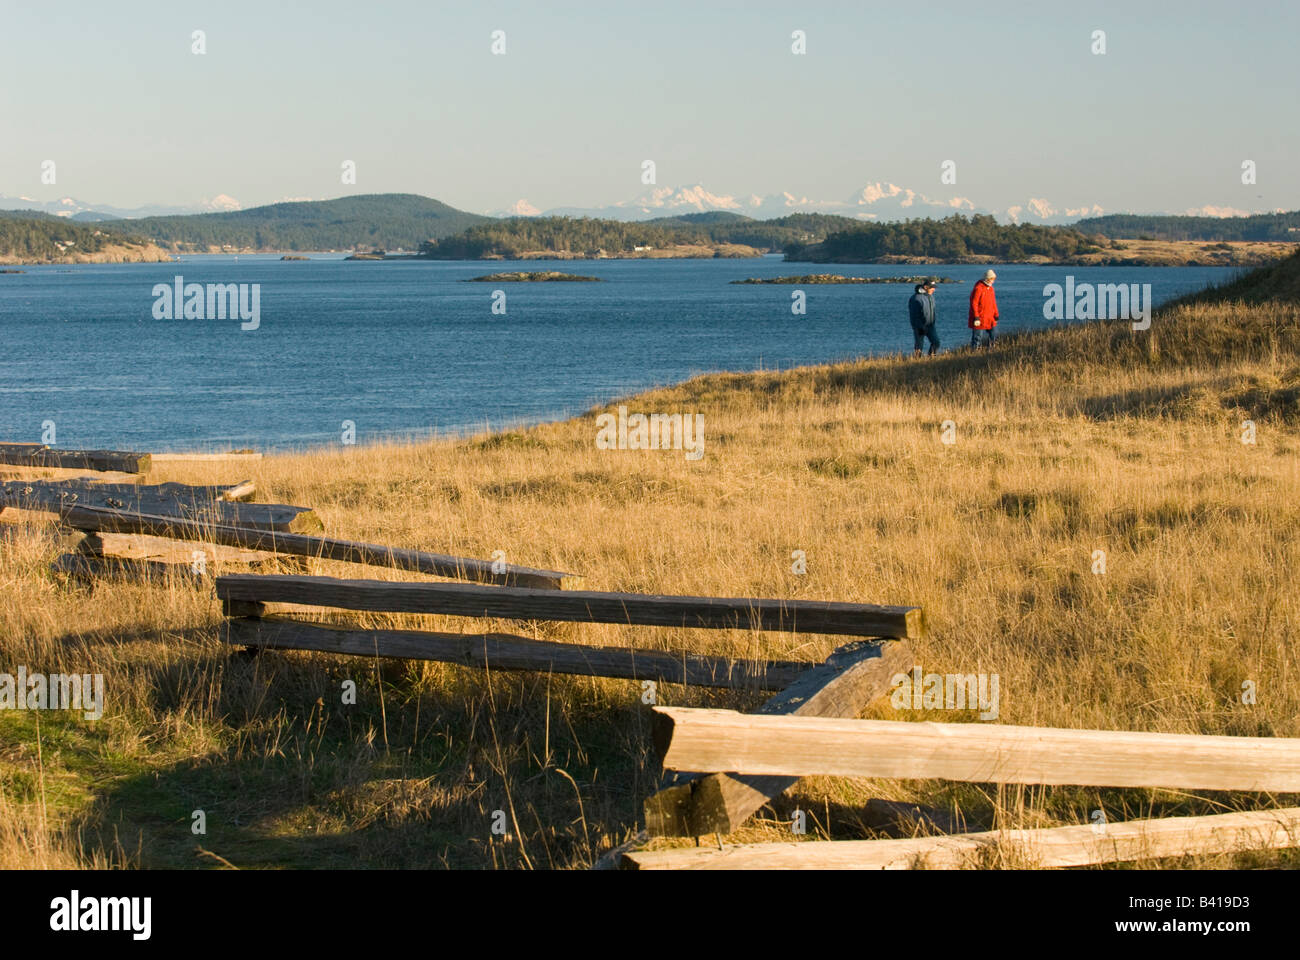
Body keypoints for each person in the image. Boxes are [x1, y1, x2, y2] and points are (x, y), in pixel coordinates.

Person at [968, 268, 999, 349]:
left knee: (994, 334)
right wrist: (976, 317)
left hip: (990, 317)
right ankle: (975, 353)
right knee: (977, 338)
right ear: (988, 279)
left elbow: (993, 302)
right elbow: (974, 303)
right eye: (992, 279)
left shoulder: (991, 289)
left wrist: (996, 314)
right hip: (980, 317)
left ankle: (992, 350)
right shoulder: (979, 288)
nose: (993, 281)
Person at [908, 280, 939, 356]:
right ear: (925, 287)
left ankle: (931, 358)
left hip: (930, 325)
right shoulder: (916, 298)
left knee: (936, 342)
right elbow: (914, 315)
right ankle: (917, 361)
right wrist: (920, 327)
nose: (933, 289)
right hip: (919, 327)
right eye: (932, 288)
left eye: (934, 288)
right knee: (919, 346)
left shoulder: (931, 297)